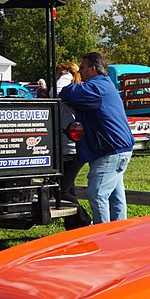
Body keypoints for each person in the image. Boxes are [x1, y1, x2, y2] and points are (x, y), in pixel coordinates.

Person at [59, 52, 134, 224]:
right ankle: (119, 232)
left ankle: (102, 234)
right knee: (116, 196)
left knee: (97, 192)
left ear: (93, 69)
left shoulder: (96, 88)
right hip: (118, 148)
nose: (80, 72)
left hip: (109, 151)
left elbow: (68, 92)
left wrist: (66, 82)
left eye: (83, 68)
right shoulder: (105, 85)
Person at [55, 62, 91, 230]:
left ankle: (84, 220)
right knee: (70, 188)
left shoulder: (69, 87)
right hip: (65, 147)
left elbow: (57, 91)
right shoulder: (76, 89)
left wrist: (65, 75)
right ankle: (73, 227)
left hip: (69, 148)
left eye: (58, 73)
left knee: (61, 192)